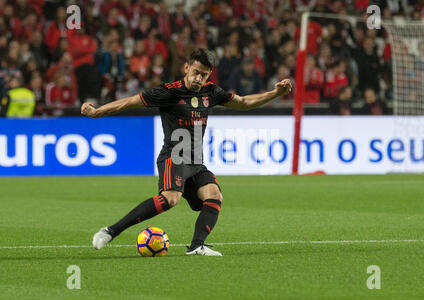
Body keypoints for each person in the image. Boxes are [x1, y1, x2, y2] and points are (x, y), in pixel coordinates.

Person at [81, 48, 292, 256]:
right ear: (186, 67)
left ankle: (196, 246)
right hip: (173, 158)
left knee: (214, 196)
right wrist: (98, 111)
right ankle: (110, 231)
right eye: (196, 72)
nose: (199, 78)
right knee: (169, 199)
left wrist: (275, 93)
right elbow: (130, 102)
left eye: (204, 74)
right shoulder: (169, 91)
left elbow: (244, 102)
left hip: (196, 162)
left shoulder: (211, 92)